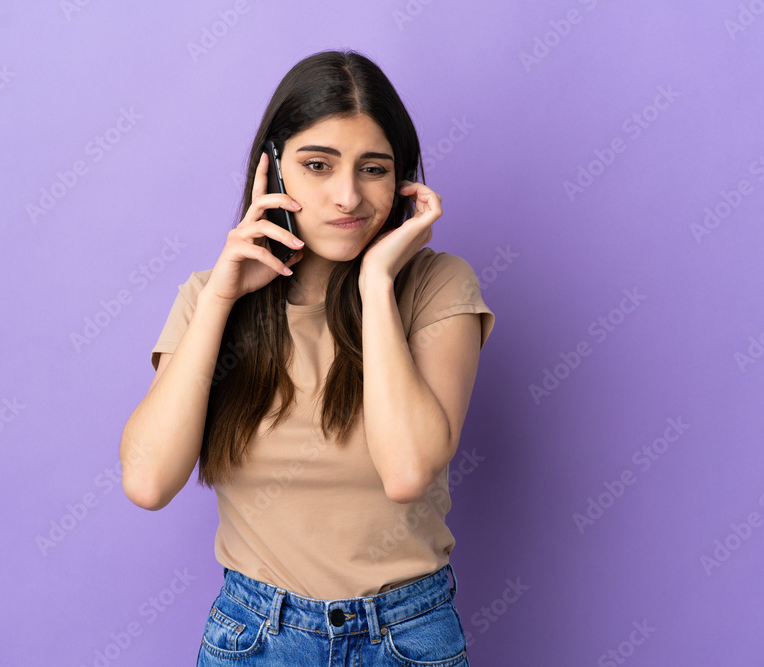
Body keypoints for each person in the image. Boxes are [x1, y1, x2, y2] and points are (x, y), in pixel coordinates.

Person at [119, 49, 495, 666]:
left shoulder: (437, 286)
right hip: (256, 634)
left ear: (399, 179)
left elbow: (406, 473)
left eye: (372, 168)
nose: (347, 196)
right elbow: (148, 482)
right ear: (272, 169)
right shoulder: (206, 297)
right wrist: (220, 296)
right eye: (318, 165)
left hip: (405, 636)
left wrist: (376, 283)